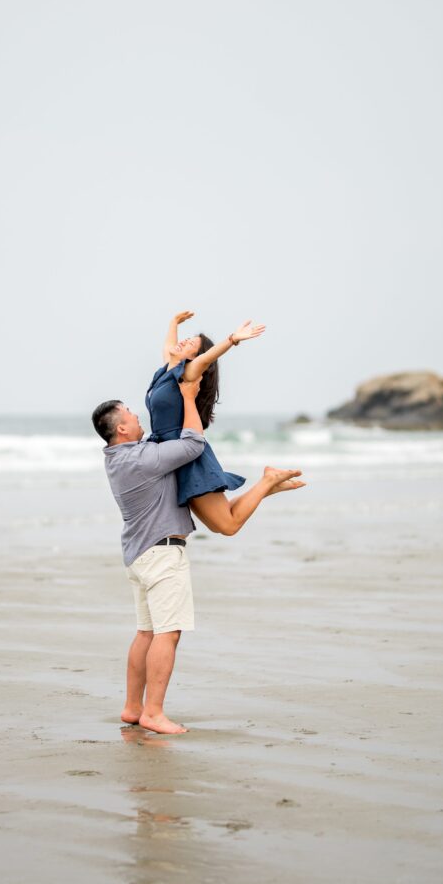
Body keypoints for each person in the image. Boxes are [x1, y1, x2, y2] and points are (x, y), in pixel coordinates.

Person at [92, 378, 206, 734]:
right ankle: (153, 713)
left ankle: (132, 707)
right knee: (167, 633)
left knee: (146, 632)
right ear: (122, 428)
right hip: (161, 553)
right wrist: (188, 396)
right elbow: (193, 444)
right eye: (131, 415)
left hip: (139, 556)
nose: (138, 418)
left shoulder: (119, 459)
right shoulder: (141, 459)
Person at [147, 310, 305, 534]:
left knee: (228, 526)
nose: (183, 341)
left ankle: (267, 480)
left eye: (190, 343)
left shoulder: (188, 372)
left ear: (193, 357)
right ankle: (267, 486)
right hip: (173, 455)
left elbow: (207, 358)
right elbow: (168, 347)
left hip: (187, 456)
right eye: (186, 339)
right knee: (219, 523)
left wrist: (232, 339)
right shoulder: (166, 371)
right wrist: (173, 322)